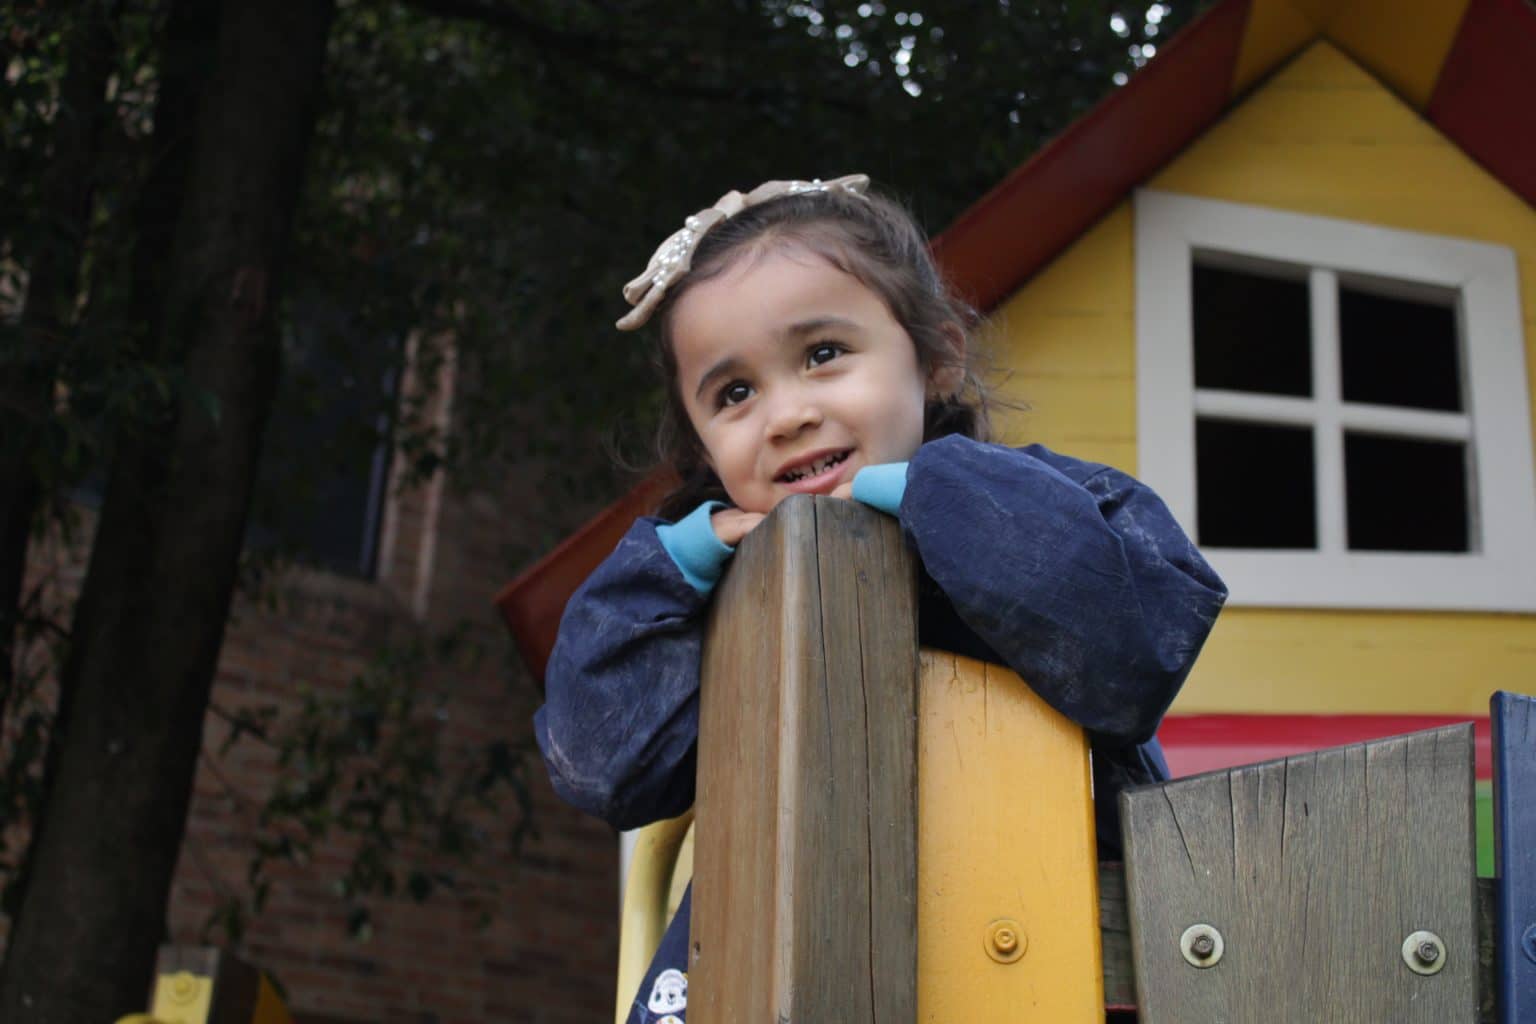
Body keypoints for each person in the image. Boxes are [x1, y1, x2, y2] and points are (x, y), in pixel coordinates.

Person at [534, 175, 1227, 1024]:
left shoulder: (1052, 501)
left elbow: (1138, 647)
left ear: (937, 359)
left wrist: (927, 492)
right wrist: (674, 560)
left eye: (823, 353)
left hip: (1054, 946)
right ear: (705, 449)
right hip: (787, 959)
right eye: (734, 394)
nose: (786, 415)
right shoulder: (710, 598)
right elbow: (599, 765)